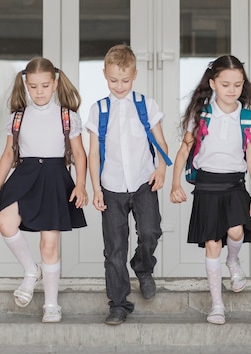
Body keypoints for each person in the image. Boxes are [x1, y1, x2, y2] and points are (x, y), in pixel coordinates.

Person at [170, 55, 251, 325]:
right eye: (226, 84)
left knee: (236, 231)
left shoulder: (248, 119)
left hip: (234, 186)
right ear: (212, 83)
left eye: (238, 85)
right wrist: (175, 183)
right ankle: (217, 305)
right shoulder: (201, 115)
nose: (232, 90)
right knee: (211, 244)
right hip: (206, 186)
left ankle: (233, 261)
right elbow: (184, 150)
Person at [0, 57, 88, 323]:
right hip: (25, 174)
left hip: (55, 177)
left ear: (54, 84)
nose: (39, 91)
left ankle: (51, 304)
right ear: (26, 85)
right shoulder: (18, 117)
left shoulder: (67, 116)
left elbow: (79, 153)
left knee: (49, 243)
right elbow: (9, 153)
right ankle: (31, 271)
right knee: (5, 221)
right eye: (33, 86)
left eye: (44, 85)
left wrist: (80, 184)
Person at [85, 44, 170, 325]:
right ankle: (118, 304)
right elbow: (93, 152)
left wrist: (161, 168)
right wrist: (96, 188)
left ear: (134, 74)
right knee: (114, 248)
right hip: (111, 186)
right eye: (113, 80)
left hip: (143, 182)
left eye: (124, 80)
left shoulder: (146, 104)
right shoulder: (99, 110)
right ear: (104, 75)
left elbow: (159, 141)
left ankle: (143, 267)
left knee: (151, 231)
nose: (119, 86)